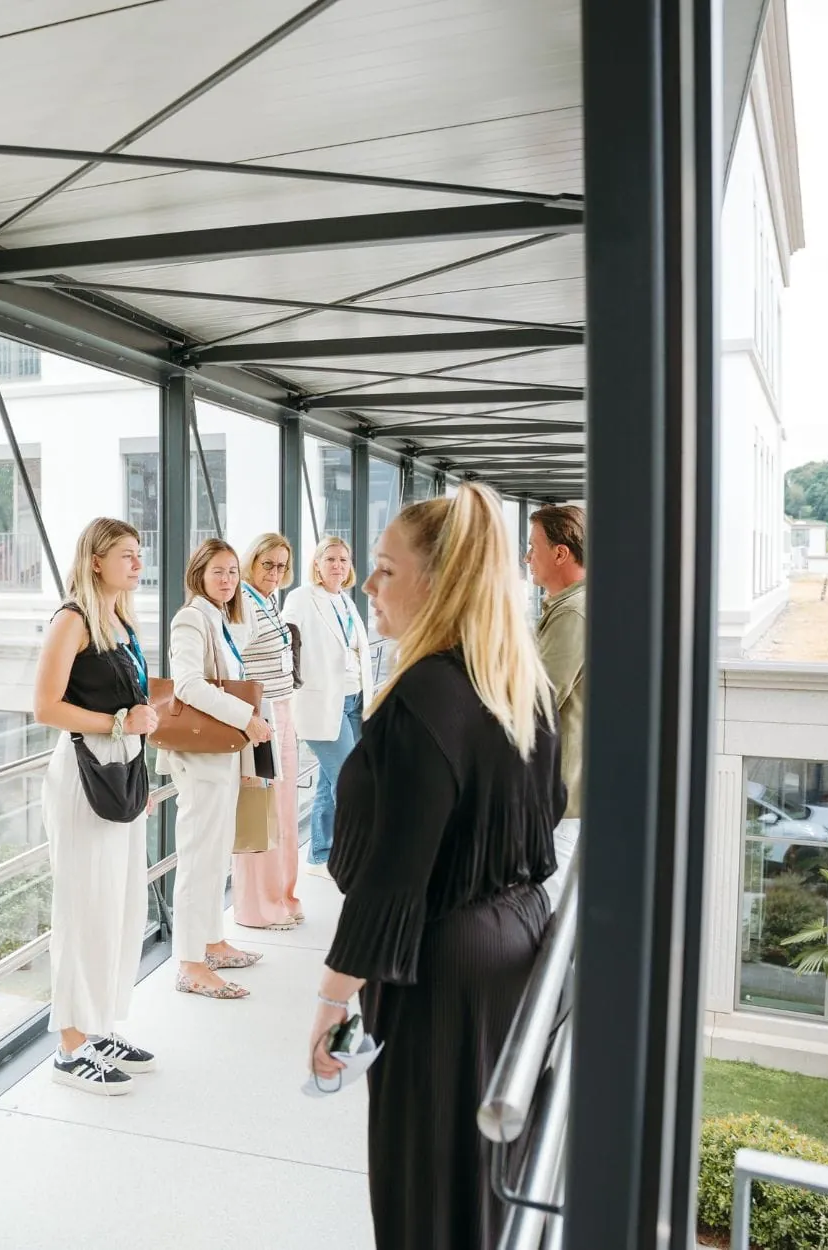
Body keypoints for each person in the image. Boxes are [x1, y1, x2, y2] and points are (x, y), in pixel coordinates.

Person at [306, 485, 565, 1250]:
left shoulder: (426, 691)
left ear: (437, 581)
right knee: (481, 1186)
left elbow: (395, 872)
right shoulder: (521, 684)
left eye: (385, 569)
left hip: (442, 970)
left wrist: (331, 1000)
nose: (368, 584)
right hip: (512, 944)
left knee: (425, 1191)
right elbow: (544, 810)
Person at [33, 518, 162, 1094]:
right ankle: (68, 1046)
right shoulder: (73, 620)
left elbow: (129, 708)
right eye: (126, 555)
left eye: (139, 554)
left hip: (119, 773)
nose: (137, 563)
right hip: (85, 777)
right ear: (95, 561)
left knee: (117, 905)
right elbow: (45, 707)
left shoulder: (121, 620)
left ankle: (97, 1027)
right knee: (84, 907)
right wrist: (118, 721)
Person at [161, 539, 273, 1000]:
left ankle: (211, 941)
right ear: (198, 575)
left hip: (221, 754)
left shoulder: (221, 619)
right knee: (198, 857)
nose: (227, 580)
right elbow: (187, 685)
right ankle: (190, 964)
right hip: (202, 757)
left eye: (232, 572)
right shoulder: (191, 618)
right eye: (217, 572)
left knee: (214, 854)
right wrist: (246, 719)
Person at [283, 536, 371, 876]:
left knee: (327, 780)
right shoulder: (302, 598)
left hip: (354, 699)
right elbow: (285, 643)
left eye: (343, 560)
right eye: (330, 559)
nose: (337, 565)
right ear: (317, 564)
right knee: (349, 780)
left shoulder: (345, 601)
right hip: (322, 702)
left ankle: (321, 854)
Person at [231, 533, 305, 931]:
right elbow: (234, 664)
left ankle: (282, 896)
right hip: (259, 718)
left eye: (281, 566)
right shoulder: (243, 603)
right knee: (262, 814)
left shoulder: (270, 602)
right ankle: (258, 906)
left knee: (284, 810)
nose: (274, 573)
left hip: (280, 712)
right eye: (267, 565)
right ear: (251, 562)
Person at [527, 503, 587, 902]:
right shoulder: (569, 607)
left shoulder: (574, 614)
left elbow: (537, 698)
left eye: (533, 546)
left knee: (548, 904)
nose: (527, 557)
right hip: (563, 788)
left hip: (561, 793)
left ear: (560, 553)